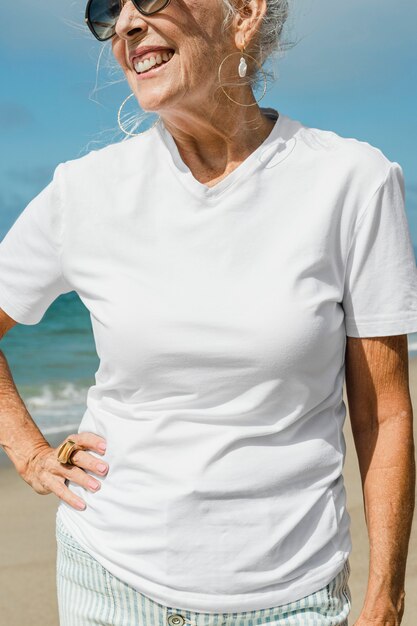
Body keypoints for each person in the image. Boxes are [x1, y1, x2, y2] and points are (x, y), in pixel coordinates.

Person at [0, 0, 416, 624]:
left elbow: (383, 411)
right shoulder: (84, 192)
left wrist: (384, 596)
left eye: (151, 0)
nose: (128, 23)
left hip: (294, 597)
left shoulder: (352, 182)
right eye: (110, 10)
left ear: (244, 13)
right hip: (108, 579)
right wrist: (30, 453)